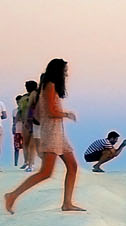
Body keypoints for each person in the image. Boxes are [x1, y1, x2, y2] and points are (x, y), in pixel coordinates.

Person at [6, 59, 82, 213]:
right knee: (45, 172)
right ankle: (12, 195)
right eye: (64, 70)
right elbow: (50, 112)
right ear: (58, 70)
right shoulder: (49, 86)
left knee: (72, 167)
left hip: (57, 133)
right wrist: (66, 114)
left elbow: (42, 113)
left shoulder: (48, 87)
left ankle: (67, 203)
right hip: (52, 133)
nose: (66, 73)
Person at [20, 79, 39, 171]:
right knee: (30, 144)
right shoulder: (39, 94)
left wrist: (26, 121)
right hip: (34, 121)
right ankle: (29, 163)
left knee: (28, 144)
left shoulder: (30, 96)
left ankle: (29, 163)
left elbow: (26, 109)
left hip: (31, 120)